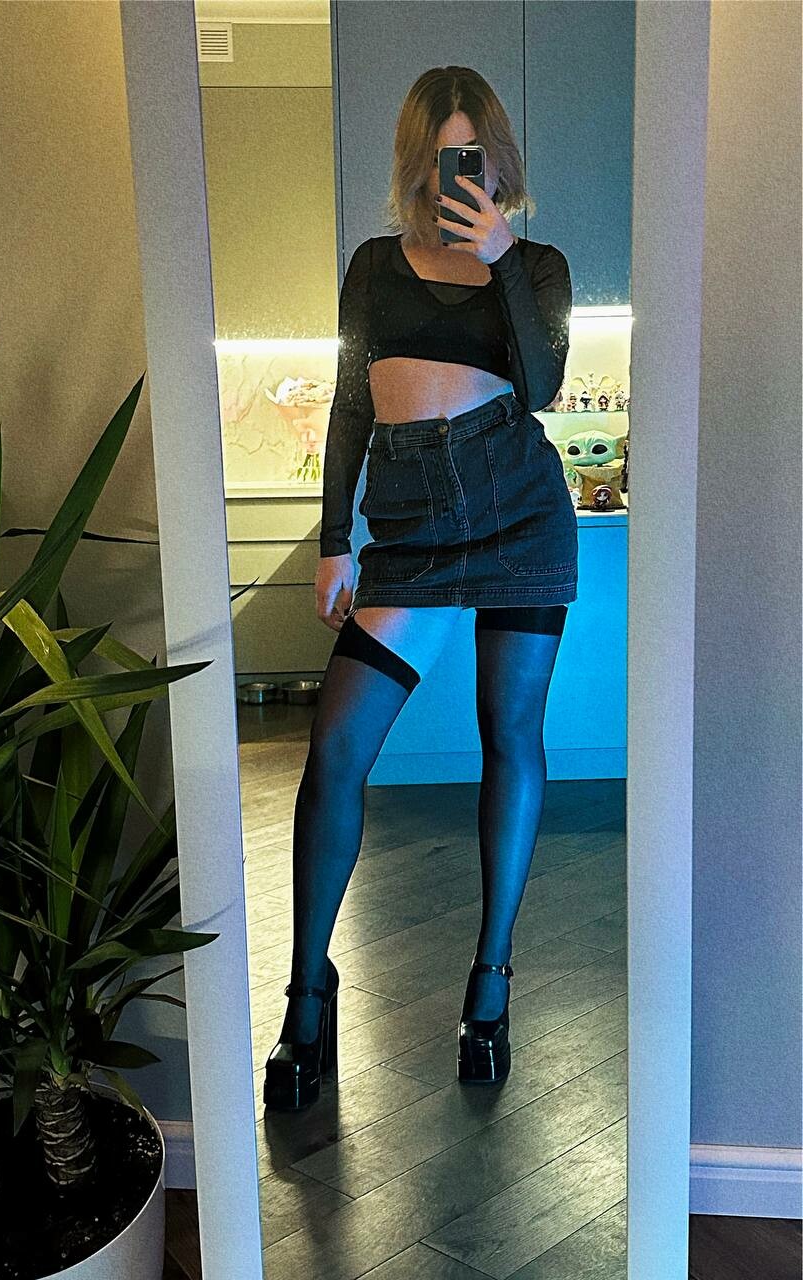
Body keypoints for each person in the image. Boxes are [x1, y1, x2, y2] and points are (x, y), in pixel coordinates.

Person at [263, 65, 577, 1112]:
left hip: (519, 509)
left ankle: (489, 984)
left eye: (473, 157)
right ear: (416, 161)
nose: (459, 176)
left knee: (509, 736)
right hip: (407, 532)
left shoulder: (536, 264)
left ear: (497, 160)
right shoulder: (371, 266)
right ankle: (308, 992)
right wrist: (334, 541)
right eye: (443, 158)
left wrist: (499, 260)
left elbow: (544, 388)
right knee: (336, 747)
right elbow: (352, 404)